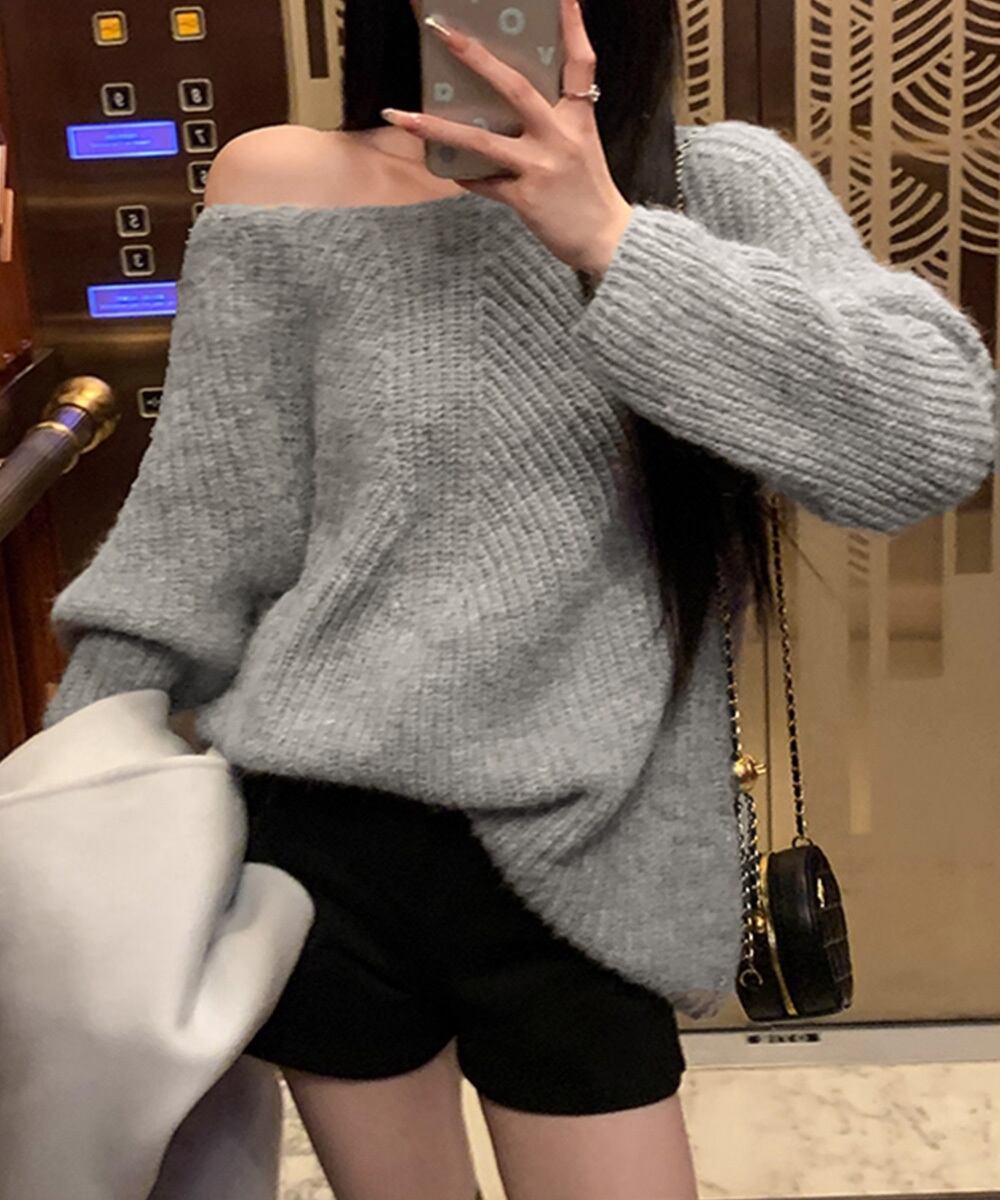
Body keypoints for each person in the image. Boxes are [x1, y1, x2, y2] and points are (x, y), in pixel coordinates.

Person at [43, 0, 996, 1197]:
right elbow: (199, 533)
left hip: (587, 848)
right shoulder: (279, 180)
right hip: (317, 843)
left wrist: (608, 235)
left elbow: (928, 443)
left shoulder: (714, 182)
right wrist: (74, 817)